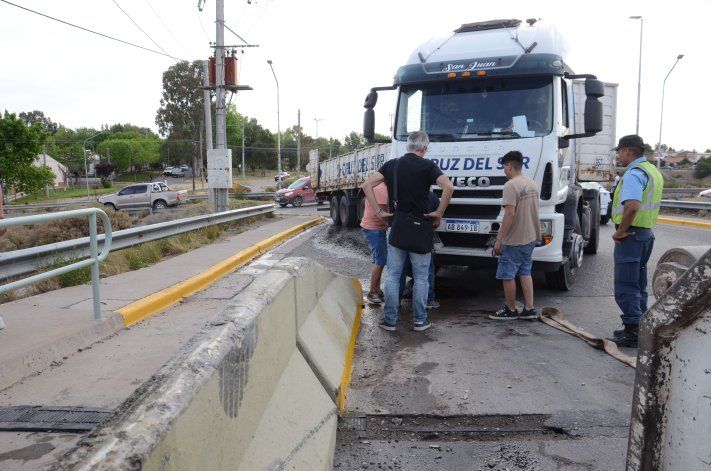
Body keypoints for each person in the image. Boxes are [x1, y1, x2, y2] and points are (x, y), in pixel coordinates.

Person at [361, 131, 454, 332]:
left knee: (394, 275)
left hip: (397, 227)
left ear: (407, 147)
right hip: (421, 228)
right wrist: (438, 213)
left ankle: (389, 320)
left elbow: (366, 184)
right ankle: (420, 321)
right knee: (421, 277)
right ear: (425, 149)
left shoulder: (393, 165)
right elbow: (448, 187)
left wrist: (379, 212)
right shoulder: (428, 166)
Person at [609, 135, 663, 348]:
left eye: (619, 151)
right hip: (645, 234)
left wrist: (620, 231)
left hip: (631, 235)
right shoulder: (653, 171)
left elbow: (632, 206)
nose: (618, 155)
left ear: (628, 151)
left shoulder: (634, 174)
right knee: (638, 282)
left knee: (625, 284)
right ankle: (640, 325)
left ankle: (633, 331)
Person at [489, 150, 541, 321]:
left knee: (507, 274)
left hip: (514, 239)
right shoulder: (532, 183)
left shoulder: (510, 185)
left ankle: (510, 310)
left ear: (509, 166)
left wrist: (499, 240)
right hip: (531, 236)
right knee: (525, 271)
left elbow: (509, 214)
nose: (504, 170)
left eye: (504, 167)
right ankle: (530, 309)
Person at [400, 191, 441, 309]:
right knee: (426, 270)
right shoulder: (433, 197)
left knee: (400, 268)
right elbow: (436, 222)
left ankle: (397, 299)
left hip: (404, 236)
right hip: (424, 237)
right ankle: (428, 300)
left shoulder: (405, 195)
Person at [360, 182, 389, 304]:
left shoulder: (380, 187)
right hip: (374, 228)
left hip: (374, 228)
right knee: (380, 260)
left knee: (379, 259)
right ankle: (372, 292)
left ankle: (377, 289)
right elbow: (382, 213)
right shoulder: (381, 189)